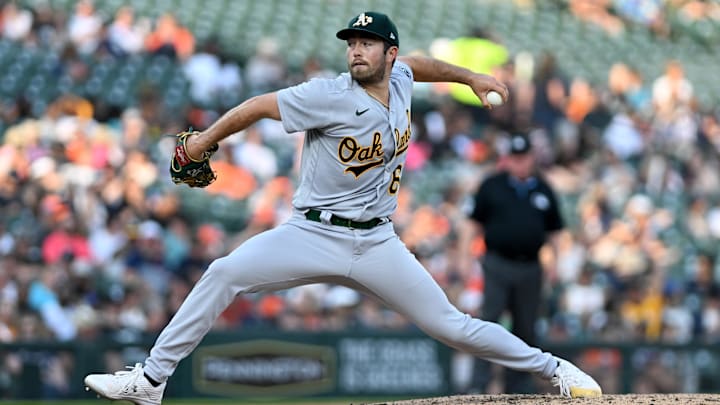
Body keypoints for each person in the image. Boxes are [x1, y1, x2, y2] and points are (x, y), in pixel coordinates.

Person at [83, 11, 601, 404]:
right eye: (352, 43)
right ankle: (150, 380)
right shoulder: (326, 95)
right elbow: (259, 105)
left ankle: (556, 370)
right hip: (312, 233)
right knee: (223, 272)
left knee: (452, 325)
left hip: (377, 240)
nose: (356, 50)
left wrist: (469, 78)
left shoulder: (399, 80)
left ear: (388, 53)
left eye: (367, 43)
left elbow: (419, 65)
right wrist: (205, 143)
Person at [460, 133, 565, 394]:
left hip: (530, 266)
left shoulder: (543, 189)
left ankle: (518, 389)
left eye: (523, 157)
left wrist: (555, 264)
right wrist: (464, 259)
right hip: (497, 264)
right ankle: (478, 386)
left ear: (531, 158)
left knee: (525, 329)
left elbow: (555, 232)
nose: (519, 163)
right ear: (508, 159)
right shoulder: (492, 185)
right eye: (514, 158)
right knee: (488, 325)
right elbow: (472, 223)